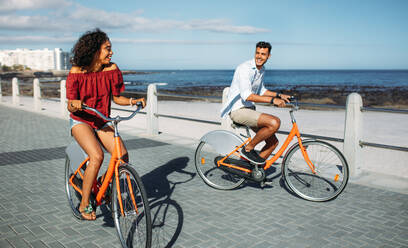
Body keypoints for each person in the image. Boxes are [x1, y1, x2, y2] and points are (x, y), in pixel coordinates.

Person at [66, 28, 145, 220]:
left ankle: (102, 183)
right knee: (97, 156)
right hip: (81, 120)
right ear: (94, 51)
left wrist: (133, 101)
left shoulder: (111, 69)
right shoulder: (77, 72)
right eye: (107, 48)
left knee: (122, 156)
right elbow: (70, 104)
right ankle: (85, 203)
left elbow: (117, 98)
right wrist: (75, 104)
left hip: (102, 119)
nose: (111, 52)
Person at [221, 41, 291, 165]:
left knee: (273, 143)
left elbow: (262, 90)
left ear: (268, 56)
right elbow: (247, 95)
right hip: (238, 111)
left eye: (263, 54)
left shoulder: (261, 69)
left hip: (249, 110)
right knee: (274, 122)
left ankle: (254, 172)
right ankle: (248, 149)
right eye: (257, 53)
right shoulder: (244, 68)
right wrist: (273, 100)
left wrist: (279, 95)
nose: (259, 56)